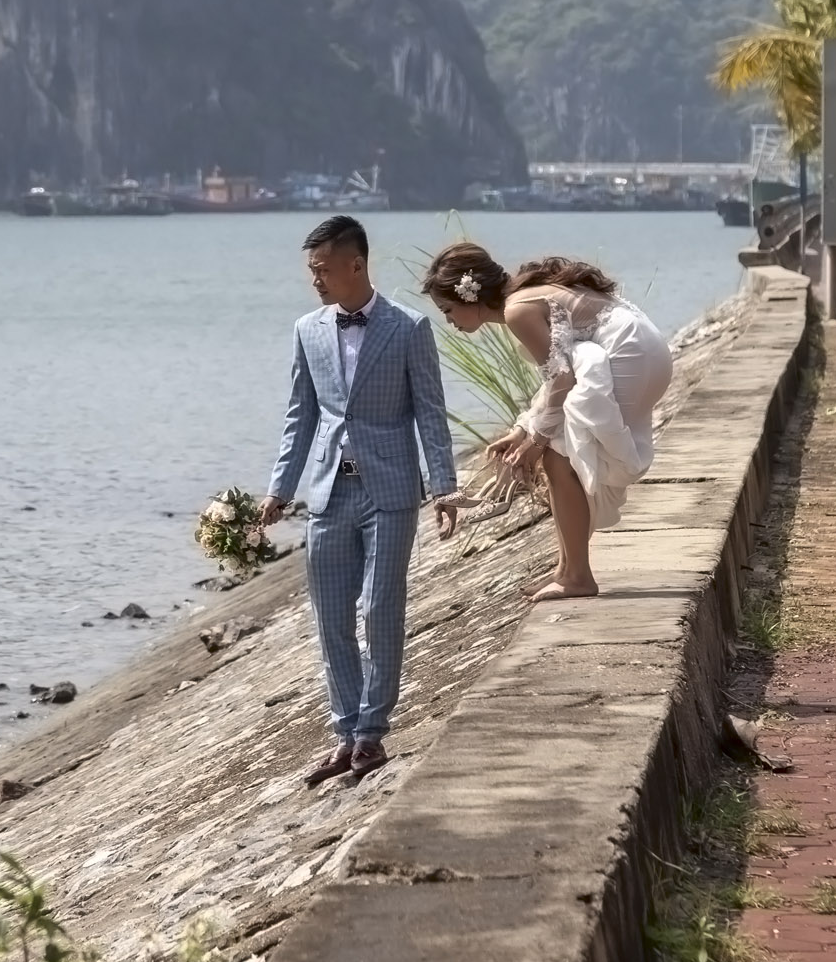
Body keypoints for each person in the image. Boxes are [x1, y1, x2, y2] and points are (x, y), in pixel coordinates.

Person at [262, 217, 458, 788]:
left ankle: (372, 733)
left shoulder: (410, 328)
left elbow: (430, 412)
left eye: (323, 269)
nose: (316, 280)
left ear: (356, 265)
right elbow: (300, 415)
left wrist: (443, 485)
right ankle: (345, 732)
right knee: (330, 618)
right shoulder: (307, 330)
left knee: (379, 608)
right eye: (311, 271)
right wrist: (280, 488)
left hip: (391, 490)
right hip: (328, 491)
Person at [420, 242, 674, 603]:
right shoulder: (522, 298)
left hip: (631, 355)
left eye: (447, 310)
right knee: (558, 451)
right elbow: (558, 377)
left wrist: (536, 441)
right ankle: (566, 571)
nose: (449, 321)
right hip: (647, 353)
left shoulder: (516, 310)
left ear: (469, 295)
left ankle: (578, 577)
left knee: (557, 456)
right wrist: (524, 429)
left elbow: (562, 379)